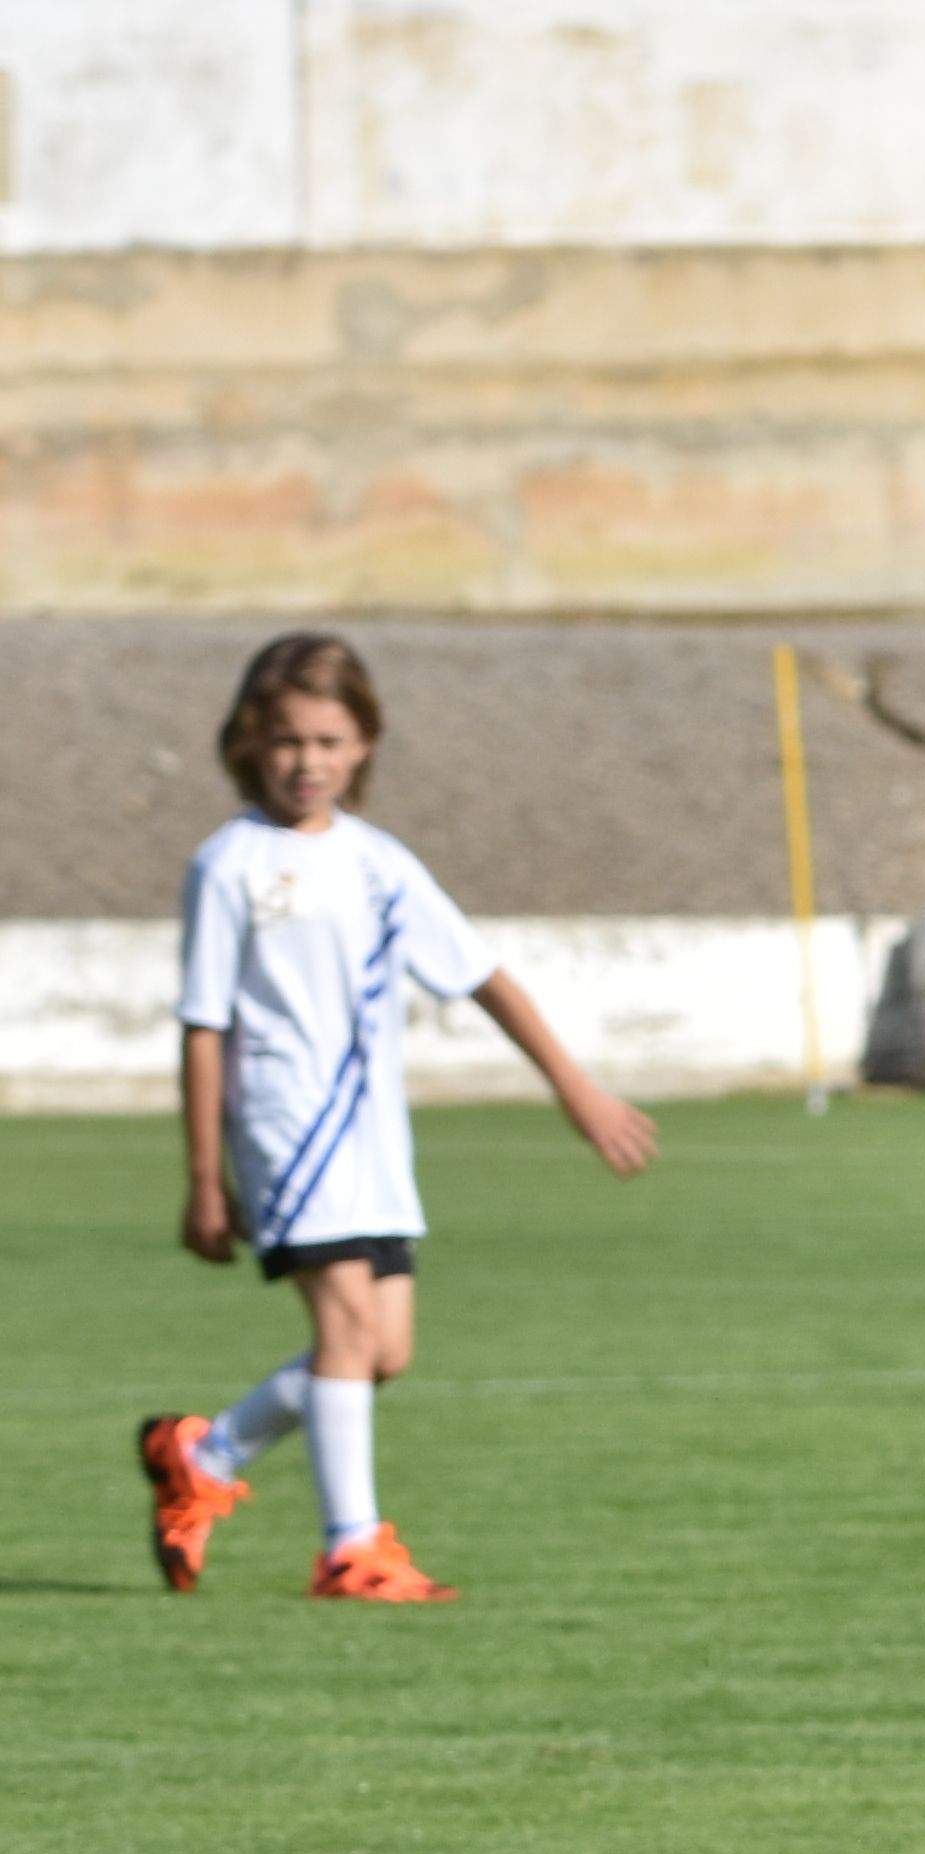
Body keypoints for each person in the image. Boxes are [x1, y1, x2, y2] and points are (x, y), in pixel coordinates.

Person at [137, 633, 655, 1606]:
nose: (308, 760)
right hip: (287, 1126)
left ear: (365, 743)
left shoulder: (381, 864)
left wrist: (575, 1089)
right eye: (287, 739)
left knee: (383, 1352)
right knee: (342, 1327)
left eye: (330, 738)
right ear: (251, 742)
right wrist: (204, 1178)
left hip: (374, 1136)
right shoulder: (230, 864)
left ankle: (206, 1452)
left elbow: (483, 974)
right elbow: (203, 1023)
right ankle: (350, 1549)